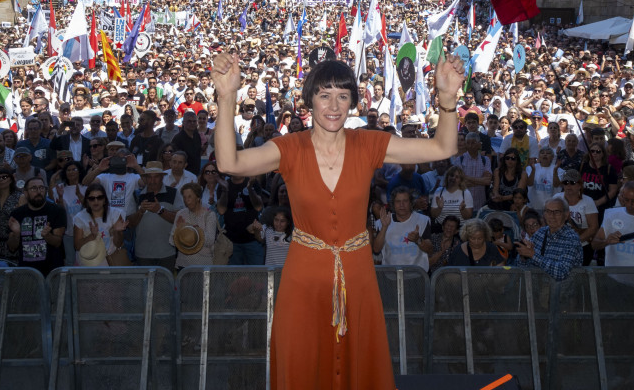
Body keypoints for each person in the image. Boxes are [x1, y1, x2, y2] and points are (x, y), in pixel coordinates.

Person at [211, 52, 464, 390]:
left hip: (357, 274)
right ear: (310, 100)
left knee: (360, 367)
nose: (334, 104)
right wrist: (226, 98)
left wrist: (447, 99)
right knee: (302, 364)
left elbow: (442, 147)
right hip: (303, 278)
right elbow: (229, 162)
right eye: (324, 94)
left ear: (353, 103)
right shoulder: (289, 148)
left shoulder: (369, 144)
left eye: (343, 96)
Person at [6, 177, 66, 275]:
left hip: (52, 271)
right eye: (34, 188)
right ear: (25, 193)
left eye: (41, 188)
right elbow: (12, 247)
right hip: (26, 272)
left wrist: (47, 236)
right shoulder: (17, 214)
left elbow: (57, 242)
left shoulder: (57, 211)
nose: (39, 191)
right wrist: (16, 234)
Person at [514, 196, 583, 281]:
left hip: (563, 293)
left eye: (557, 212)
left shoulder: (571, 239)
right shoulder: (540, 233)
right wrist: (523, 256)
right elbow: (521, 266)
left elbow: (561, 272)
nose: (552, 216)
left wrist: (533, 255)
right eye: (548, 211)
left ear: (566, 215)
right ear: (544, 215)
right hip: (538, 290)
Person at [373, 187, 432, 271]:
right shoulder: (382, 222)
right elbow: (376, 249)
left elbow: (430, 250)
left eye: (405, 201)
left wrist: (418, 240)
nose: (402, 205)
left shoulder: (423, 220)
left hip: (417, 276)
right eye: (398, 201)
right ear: (393, 204)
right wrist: (384, 228)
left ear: (411, 203)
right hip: (391, 275)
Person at [73, 182, 127, 265]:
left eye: (100, 197)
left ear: (105, 199)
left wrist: (117, 232)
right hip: (87, 264)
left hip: (110, 262)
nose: (96, 201)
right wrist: (92, 236)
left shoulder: (115, 214)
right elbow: (77, 246)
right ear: (87, 200)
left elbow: (119, 244)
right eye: (92, 198)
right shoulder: (79, 218)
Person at [170, 182, 216, 269]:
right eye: (184, 197)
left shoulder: (209, 215)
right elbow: (172, 241)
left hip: (204, 265)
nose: (186, 200)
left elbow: (210, 240)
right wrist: (179, 231)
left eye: (190, 196)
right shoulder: (181, 214)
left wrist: (194, 231)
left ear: (198, 197)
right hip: (183, 265)